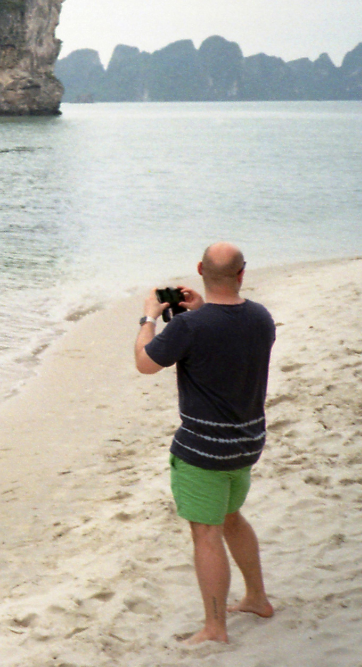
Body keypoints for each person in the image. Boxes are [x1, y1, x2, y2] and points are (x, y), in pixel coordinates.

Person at [134, 242, 276, 644]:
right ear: (242, 274)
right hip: (247, 441)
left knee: (207, 532)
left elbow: (145, 362)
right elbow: (227, 341)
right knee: (231, 517)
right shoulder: (260, 317)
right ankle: (257, 598)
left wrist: (149, 317)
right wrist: (198, 311)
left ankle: (215, 628)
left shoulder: (190, 327)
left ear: (199, 269)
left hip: (203, 448)